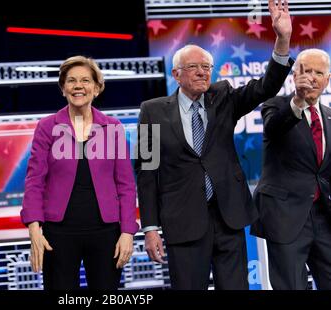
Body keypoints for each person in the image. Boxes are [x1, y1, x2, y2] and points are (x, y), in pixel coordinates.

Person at [135, 0, 293, 289]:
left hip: (228, 217)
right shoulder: (152, 111)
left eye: (206, 67)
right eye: (193, 67)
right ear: (176, 74)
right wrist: (150, 228)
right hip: (182, 221)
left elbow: (266, 86)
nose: (201, 72)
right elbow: (146, 172)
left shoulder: (224, 98)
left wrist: (282, 39)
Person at [20, 56, 139, 290]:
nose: (78, 86)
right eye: (71, 80)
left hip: (107, 233)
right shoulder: (47, 127)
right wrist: (34, 228)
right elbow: (34, 181)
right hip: (58, 234)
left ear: (96, 88)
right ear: (63, 88)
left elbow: (125, 185)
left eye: (85, 80)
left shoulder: (112, 127)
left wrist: (128, 232)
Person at [251, 48, 331, 290]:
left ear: (328, 79)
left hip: (324, 217)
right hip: (285, 217)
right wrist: (298, 99)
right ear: (294, 75)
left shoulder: (328, 116)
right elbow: (274, 129)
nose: (313, 78)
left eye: (320, 72)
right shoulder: (275, 106)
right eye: (307, 71)